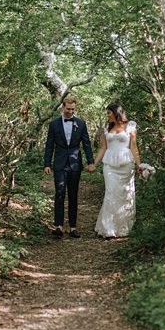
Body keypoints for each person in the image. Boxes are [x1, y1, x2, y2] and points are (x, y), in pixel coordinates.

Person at [44, 96, 95, 238]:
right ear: (63, 107)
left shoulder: (81, 123)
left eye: (73, 109)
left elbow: (86, 144)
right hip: (59, 163)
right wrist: (47, 164)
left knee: (73, 194)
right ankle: (58, 226)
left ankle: (73, 227)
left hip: (75, 163)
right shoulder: (54, 124)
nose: (70, 112)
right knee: (60, 193)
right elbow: (49, 145)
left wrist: (90, 162)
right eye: (68, 109)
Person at [93, 104, 141, 238]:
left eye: (109, 113)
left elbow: (134, 147)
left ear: (116, 113)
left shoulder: (130, 127)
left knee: (125, 194)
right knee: (110, 193)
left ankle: (122, 227)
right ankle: (108, 228)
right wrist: (94, 164)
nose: (107, 115)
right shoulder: (107, 129)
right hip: (109, 165)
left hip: (126, 165)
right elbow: (103, 148)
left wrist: (139, 165)